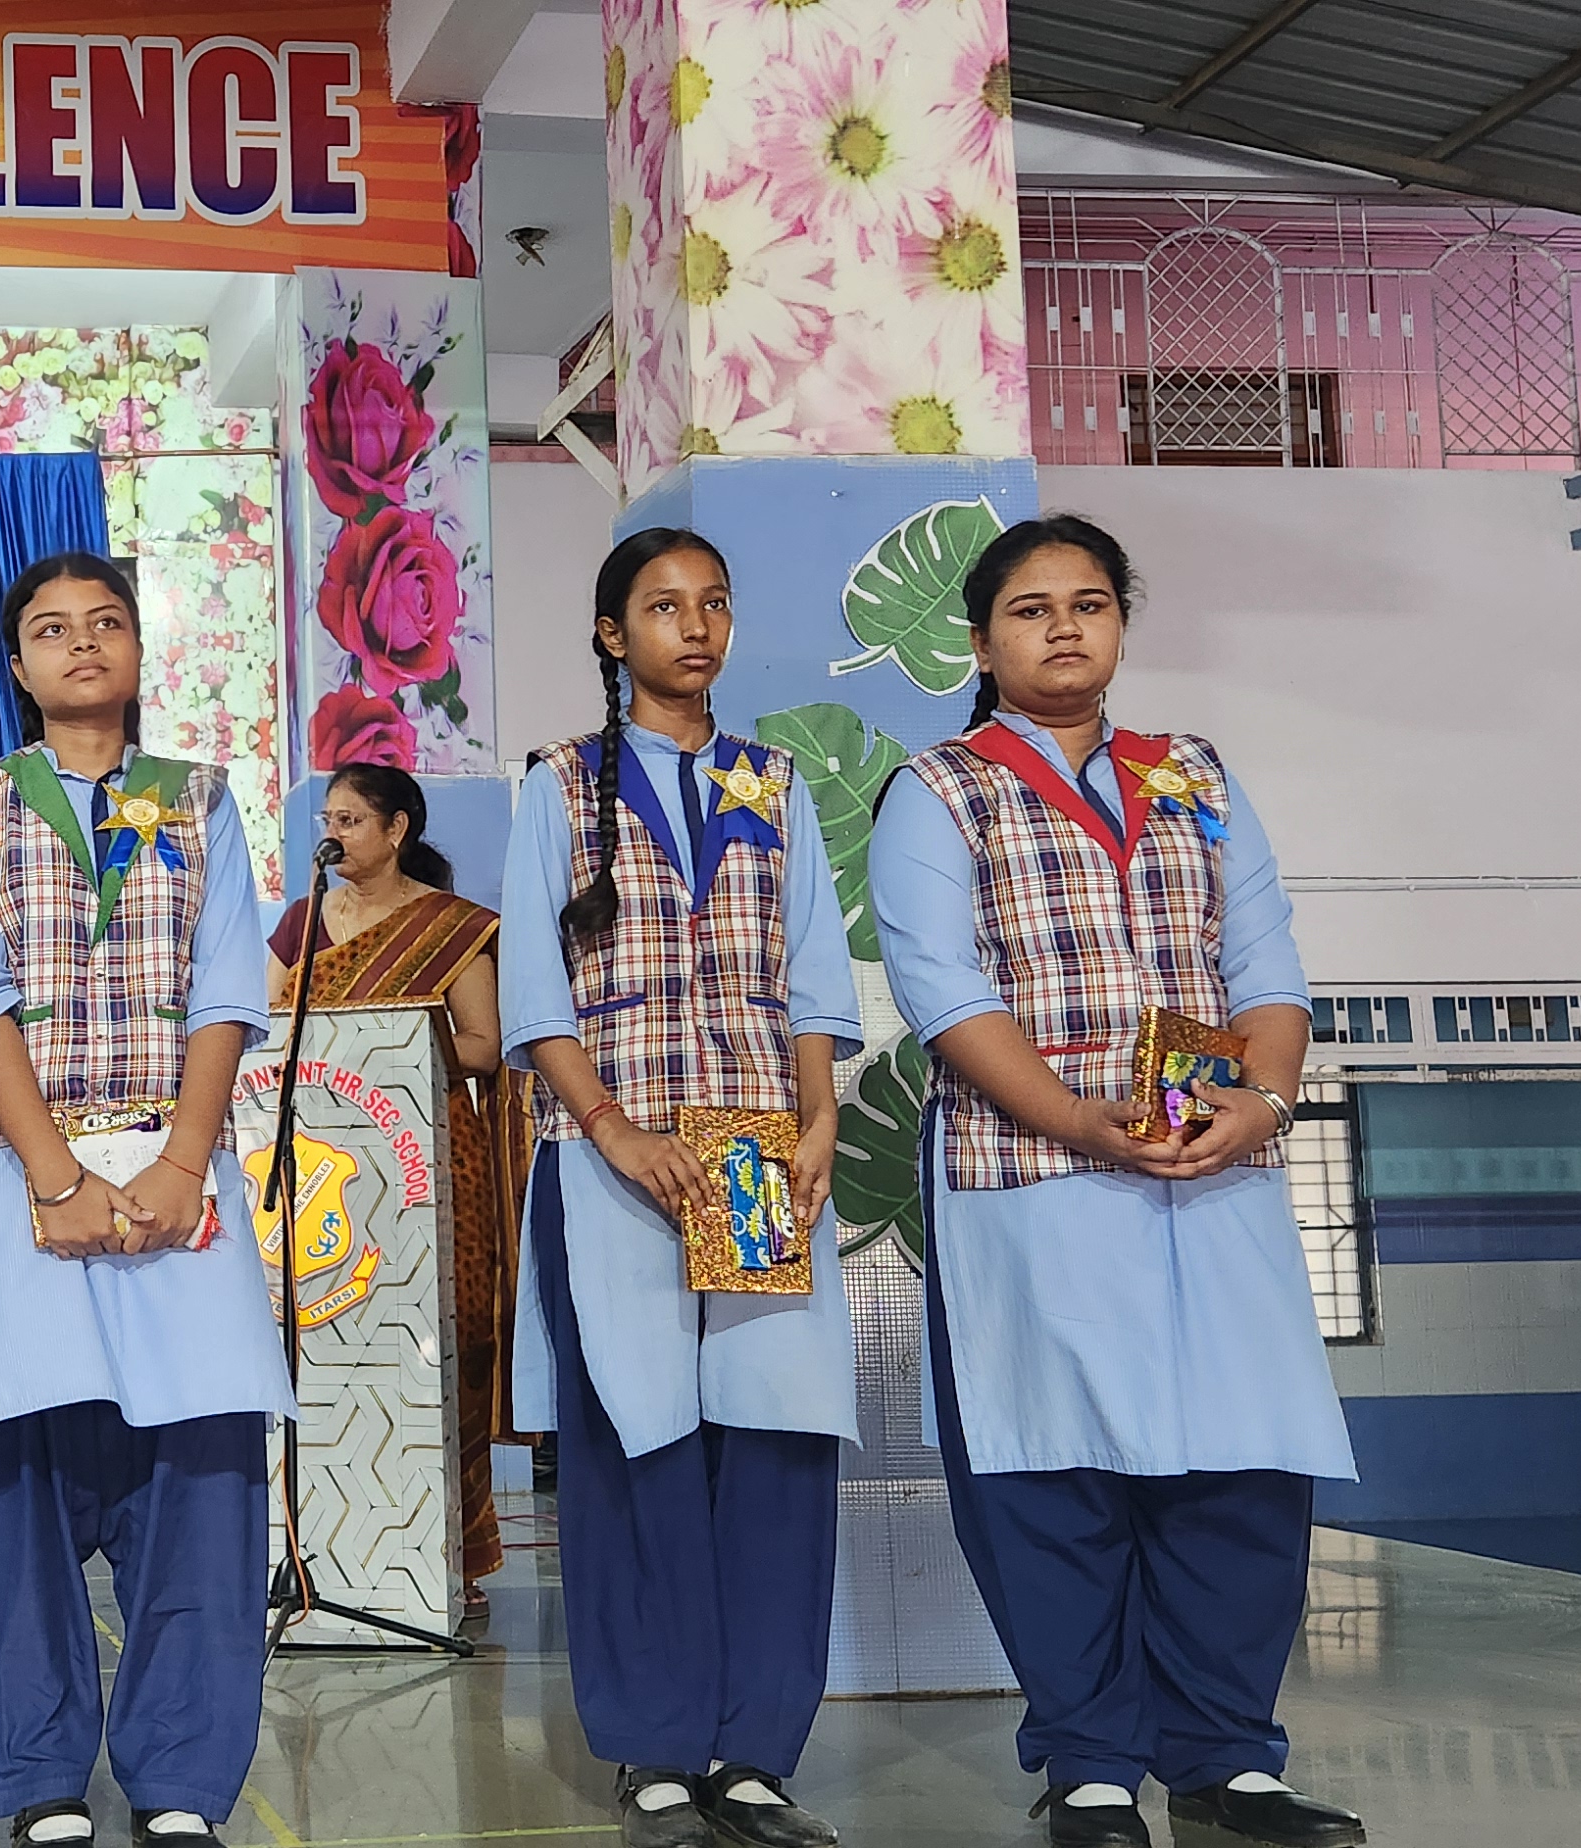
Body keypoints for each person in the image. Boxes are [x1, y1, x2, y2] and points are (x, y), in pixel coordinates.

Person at [866, 516, 1366, 1848]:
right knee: (1056, 1469)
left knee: (1237, 1462)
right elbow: (945, 995)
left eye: (1089, 603)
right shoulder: (941, 788)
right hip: (1034, 1177)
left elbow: (1265, 964)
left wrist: (1262, 1104)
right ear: (981, 644)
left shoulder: (1192, 773)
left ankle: (1227, 1760)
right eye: (1030, 610)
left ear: (1123, 627)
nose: (1064, 628)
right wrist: (1083, 1123)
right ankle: (1090, 1765)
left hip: (1214, 1168)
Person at [0, 551, 280, 1848]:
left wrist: (180, 1166)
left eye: (106, 622)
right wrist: (54, 1177)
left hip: (178, 1177)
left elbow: (228, 986)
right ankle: (37, 1779)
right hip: (19, 1181)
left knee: (203, 1479)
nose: (83, 644)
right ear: (18, 665)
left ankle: (181, 1782)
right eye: (51, 629)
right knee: (14, 1486)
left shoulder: (201, 799)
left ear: (139, 651)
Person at [500, 529, 858, 1848]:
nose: (694, 626)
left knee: (772, 1440)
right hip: (611, 1156)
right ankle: (654, 1745)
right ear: (613, 635)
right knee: (633, 1438)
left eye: (713, 603)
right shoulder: (558, 783)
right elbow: (535, 993)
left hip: (759, 1153)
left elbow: (813, 970)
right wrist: (609, 1127)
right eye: (662, 607)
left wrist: (818, 1118)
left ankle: (754, 1751)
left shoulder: (772, 781)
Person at [265, 763, 514, 1600]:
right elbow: (268, 1029)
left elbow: (483, 1045)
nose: (333, 835)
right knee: (330, 1342)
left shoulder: (450, 928)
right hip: (330, 1165)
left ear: (397, 828)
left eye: (351, 820)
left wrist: (395, 1042)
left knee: (444, 1348)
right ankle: (331, 1552)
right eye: (328, 820)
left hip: (432, 1161)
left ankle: (447, 1559)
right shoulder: (304, 921)